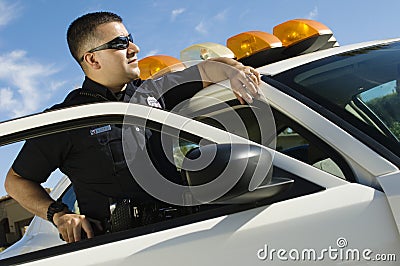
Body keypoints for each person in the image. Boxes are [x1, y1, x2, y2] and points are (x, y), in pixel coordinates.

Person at [5, 11, 261, 243]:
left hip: (184, 231)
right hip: (120, 246)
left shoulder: (152, 91)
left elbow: (207, 68)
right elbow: (16, 181)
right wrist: (59, 215)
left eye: (131, 39)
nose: (134, 48)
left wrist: (237, 71)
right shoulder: (68, 118)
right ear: (92, 59)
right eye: (120, 44)